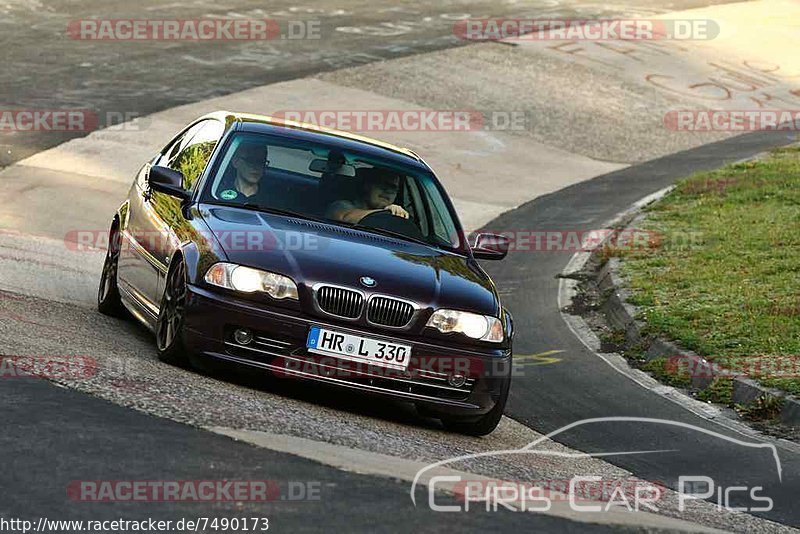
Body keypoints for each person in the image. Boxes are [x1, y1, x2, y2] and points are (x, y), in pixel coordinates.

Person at [326, 168, 409, 224]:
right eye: (382, 184)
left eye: (393, 188)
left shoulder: (394, 219)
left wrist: (398, 215)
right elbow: (344, 217)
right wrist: (386, 213)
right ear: (367, 186)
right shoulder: (341, 205)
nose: (387, 191)